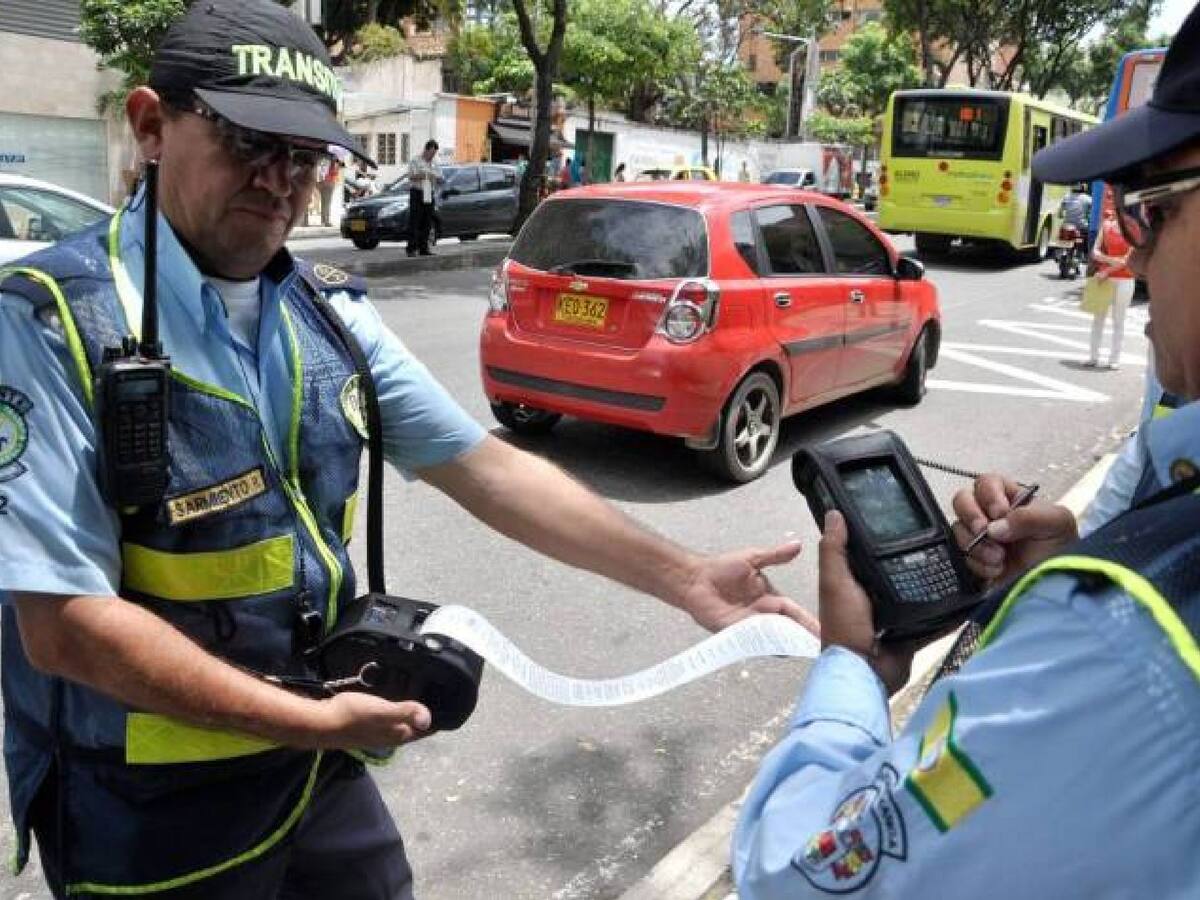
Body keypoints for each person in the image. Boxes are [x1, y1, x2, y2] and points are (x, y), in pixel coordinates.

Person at [0, 3, 816, 898]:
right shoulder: (47, 324)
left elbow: (488, 469)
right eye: (249, 141)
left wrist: (685, 576)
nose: (282, 179)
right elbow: (63, 626)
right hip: (147, 815)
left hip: (315, 766)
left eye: (307, 156)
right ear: (152, 125)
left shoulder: (328, 316)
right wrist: (304, 721)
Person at [733, 7, 1200, 896]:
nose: (1134, 266)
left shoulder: (1122, 643)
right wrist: (1075, 567)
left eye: (1154, 216)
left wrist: (850, 670)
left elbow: (800, 879)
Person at [1085, 192, 1135, 369]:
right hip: (1103, 279)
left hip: (1124, 279)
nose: (1114, 206)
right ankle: (1093, 356)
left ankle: (1114, 359)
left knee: (1118, 321)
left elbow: (1128, 259)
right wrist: (1110, 263)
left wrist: (1107, 270)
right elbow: (1095, 252)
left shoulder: (1132, 227)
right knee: (1098, 319)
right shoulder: (1106, 225)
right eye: (1112, 202)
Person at [405, 139, 440, 256]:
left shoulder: (435, 162)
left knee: (427, 221)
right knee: (415, 221)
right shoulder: (415, 160)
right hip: (417, 192)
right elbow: (411, 176)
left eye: (434, 153)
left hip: (429, 192)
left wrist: (437, 178)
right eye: (431, 153)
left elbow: (440, 176)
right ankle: (411, 248)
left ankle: (424, 248)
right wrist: (426, 175)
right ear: (426, 150)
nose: (432, 156)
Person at [316, 157, 340, 226]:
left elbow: (320, 172)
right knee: (327, 203)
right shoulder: (331, 162)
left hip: (324, 182)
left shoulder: (323, 161)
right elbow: (334, 172)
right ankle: (325, 221)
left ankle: (324, 220)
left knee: (324, 202)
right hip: (328, 182)